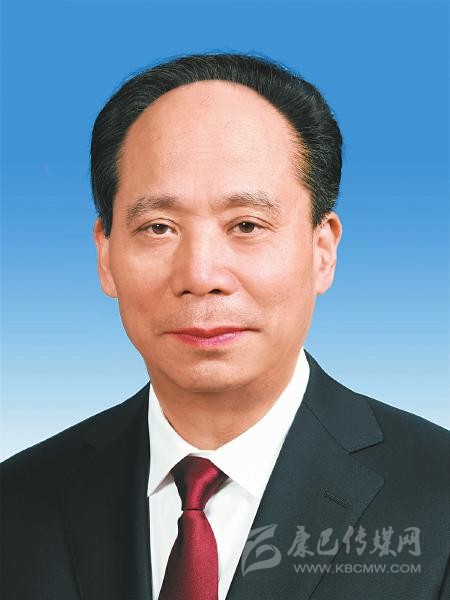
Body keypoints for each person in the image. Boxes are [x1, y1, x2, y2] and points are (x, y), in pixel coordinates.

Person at [1, 53, 449, 600]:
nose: (201, 276)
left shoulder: (438, 494)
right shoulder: (17, 501)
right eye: (159, 227)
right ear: (106, 254)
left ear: (322, 250)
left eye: (247, 225)